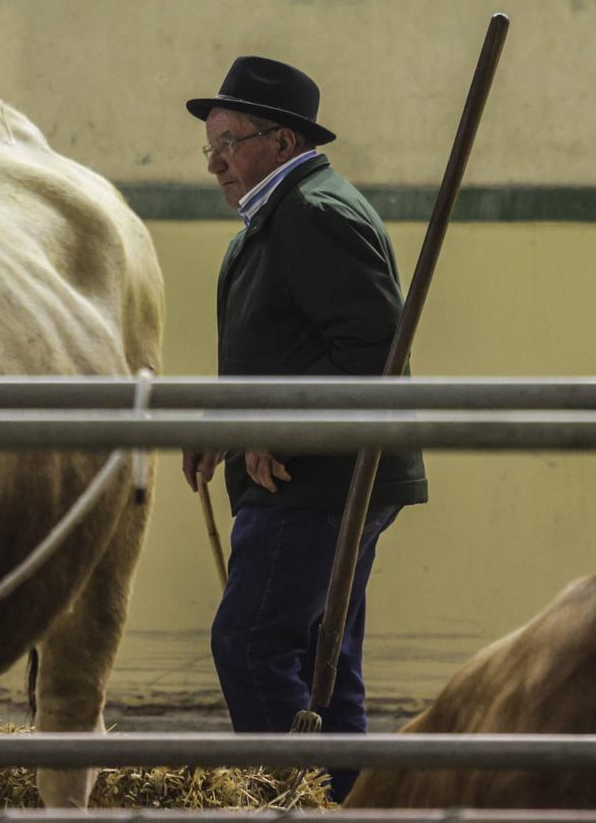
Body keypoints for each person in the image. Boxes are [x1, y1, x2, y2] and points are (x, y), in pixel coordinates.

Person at [180, 55, 428, 803]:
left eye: (231, 141)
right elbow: (289, 349)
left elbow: (371, 351)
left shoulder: (314, 213)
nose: (217, 162)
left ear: (283, 142)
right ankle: (346, 806)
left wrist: (274, 430)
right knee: (327, 667)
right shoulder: (289, 212)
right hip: (324, 476)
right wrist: (229, 420)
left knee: (251, 645)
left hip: (312, 482)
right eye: (210, 146)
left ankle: (286, 804)